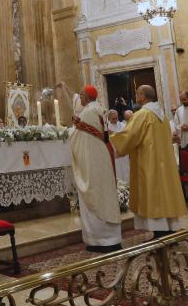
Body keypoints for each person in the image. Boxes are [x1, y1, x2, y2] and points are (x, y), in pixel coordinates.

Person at [110, 85, 187, 238]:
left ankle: (160, 232)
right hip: (164, 164)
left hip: (149, 163)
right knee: (165, 194)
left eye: (138, 93)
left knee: (154, 196)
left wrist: (111, 138)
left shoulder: (142, 115)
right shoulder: (163, 117)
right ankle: (171, 229)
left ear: (143, 96)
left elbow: (129, 136)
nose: (136, 96)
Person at [70, 85, 122, 252]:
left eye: (81, 95)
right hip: (102, 155)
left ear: (86, 97)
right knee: (105, 193)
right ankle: (111, 238)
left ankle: (101, 241)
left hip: (93, 159)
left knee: (94, 192)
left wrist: (70, 131)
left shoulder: (87, 112)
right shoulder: (99, 107)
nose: (80, 97)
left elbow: (78, 137)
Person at [107, 109, 129, 182]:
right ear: (109, 118)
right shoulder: (107, 127)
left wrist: (112, 133)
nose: (116, 120)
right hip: (113, 151)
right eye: (113, 119)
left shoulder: (122, 125)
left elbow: (124, 135)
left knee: (125, 170)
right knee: (116, 170)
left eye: (116, 118)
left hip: (122, 152)